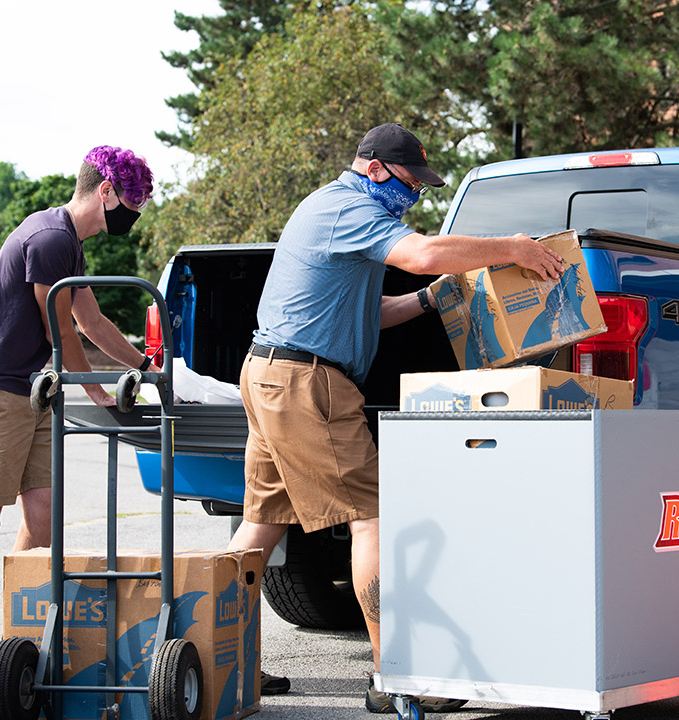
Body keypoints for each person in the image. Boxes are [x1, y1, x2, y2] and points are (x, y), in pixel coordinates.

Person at [226, 123, 565, 712]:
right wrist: (515, 248)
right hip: (308, 382)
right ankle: (398, 677)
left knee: (262, 524)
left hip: (271, 374)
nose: (415, 198)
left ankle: (218, 657)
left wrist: (431, 300)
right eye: (411, 183)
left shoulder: (327, 209)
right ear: (377, 168)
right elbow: (423, 253)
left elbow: (368, 311)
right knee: (373, 518)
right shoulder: (348, 206)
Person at [0, 146, 160, 683]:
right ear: (105, 191)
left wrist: (148, 363)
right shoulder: (50, 239)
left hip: (31, 393)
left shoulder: (68, 243)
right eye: (133, 200)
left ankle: (19, 643)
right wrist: (98, 393)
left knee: (41, 523)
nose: (136, 211)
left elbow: (92, 321)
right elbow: (61, 332)